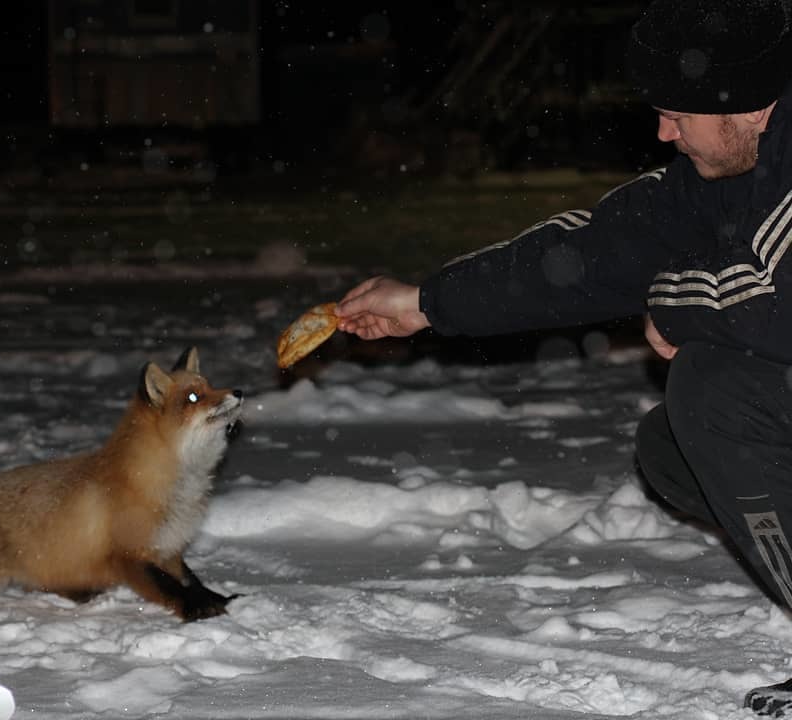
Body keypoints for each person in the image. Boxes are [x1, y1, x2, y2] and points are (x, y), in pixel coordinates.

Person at [335, 0, 792, 715]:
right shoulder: (736, 166)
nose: (663, 131)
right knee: (674, 448)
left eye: (678, 114)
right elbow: (598, 249)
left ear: (751, 106)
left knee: (715, 391)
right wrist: (425, 303)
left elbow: (775, 299)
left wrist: (675, 303)